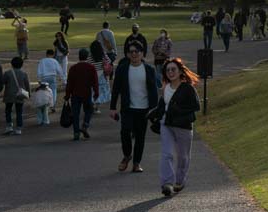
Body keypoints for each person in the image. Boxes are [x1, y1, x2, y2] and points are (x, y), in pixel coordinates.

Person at [150, 58, 202, 197]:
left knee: (183, 156)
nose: (171, 72)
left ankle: (179, 181)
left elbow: (196, 106)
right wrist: (153, 113)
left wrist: (178, 109)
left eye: (173, 69)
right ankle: (167, 184)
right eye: (168, 70)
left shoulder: (187, 88)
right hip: (166, 124)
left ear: (180, 71)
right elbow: (163, 106)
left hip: (183, 126)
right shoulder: (166, 87)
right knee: (166, 154)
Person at [109, 40, 158, 173]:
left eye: (137, 51)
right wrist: (112, 107)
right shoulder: (123, 68)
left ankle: (136, 163)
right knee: (125, 131)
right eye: (131, 52)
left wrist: (155, 110)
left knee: (140, 137)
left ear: (142, 54)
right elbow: (116, 89)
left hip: (144, 109)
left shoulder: (149, 69)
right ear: (128, 54)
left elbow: (153, 90)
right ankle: (127, 155)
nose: (134, 54)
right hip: (128, 108)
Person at [64, 48, 100, 141]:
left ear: (79, 56)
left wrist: (67, 95)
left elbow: (69, 83)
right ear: (87, 57)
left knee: (75, 114)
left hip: (75, 94)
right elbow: (95, 82)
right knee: (89, 110)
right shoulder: (91, 68)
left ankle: (76, 132)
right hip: (86, 93)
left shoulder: (73, 68)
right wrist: (96, 92)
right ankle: (85, 125)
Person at [33, 47, 66, 125]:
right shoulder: (54, 60)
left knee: (44, 92)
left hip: (44, 78)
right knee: (53, 91)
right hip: (52, 77)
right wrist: (63, 79)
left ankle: (45, 105)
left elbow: (39, 70)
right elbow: (59, 70)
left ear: (46, 54)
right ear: (53, 54)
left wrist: (39, 79)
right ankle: (52, 105)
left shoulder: (42, 61)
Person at [0, 55, 30, 134]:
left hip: (9, 94)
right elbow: (27, 85)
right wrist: (29, 94)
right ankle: (19, 128)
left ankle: (9, 126)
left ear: (12, 64)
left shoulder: (7, 73)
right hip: (20, 94)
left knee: (8, 110)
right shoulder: (24, 74)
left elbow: (2, 82)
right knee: (19, 111)